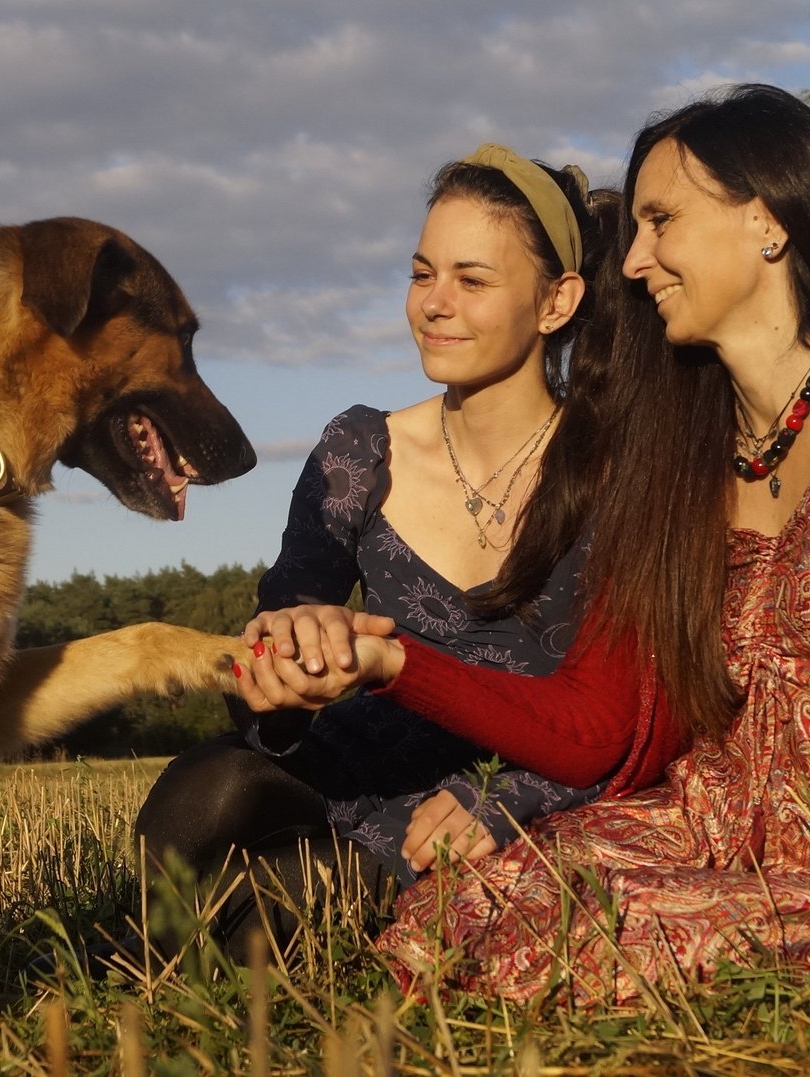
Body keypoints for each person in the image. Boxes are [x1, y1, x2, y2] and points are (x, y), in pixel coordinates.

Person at [232, 84, 810, 1008]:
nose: (636, 256)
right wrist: (390, 658)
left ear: (766, 222)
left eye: (663, 219)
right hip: (693, 826)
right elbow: (592, 724)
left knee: (599, 950)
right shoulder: (676, 458)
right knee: (465, 913)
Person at [133, 145, 631, 953]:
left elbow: (631, 705)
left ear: (556, 301)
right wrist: (283, 672)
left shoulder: (617, 467)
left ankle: (168, 955)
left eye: (471, 281)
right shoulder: (359, 449)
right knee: (201, 794)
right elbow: (264, 663)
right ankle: (152, 950)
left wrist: (513, 800)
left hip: (503, 783)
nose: (434, 304)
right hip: (370, 753)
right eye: (420, 273)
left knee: (275, 907)